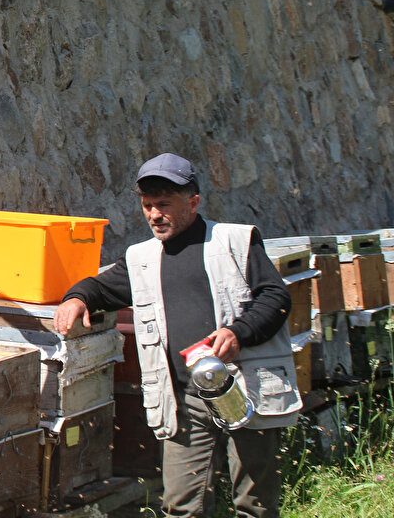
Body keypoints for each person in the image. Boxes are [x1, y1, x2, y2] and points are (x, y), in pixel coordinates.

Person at [54, 153, 300, 518]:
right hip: (185, 402)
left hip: (244, 389)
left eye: (164, 205)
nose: (154, 215)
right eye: (147, 206)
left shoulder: (235, 242)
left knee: (255, 505)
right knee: (181, 507)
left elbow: (276, 297)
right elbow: (101, 288)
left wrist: (238, 333)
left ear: (193, 202)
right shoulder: (141, 258)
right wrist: (76, 297)